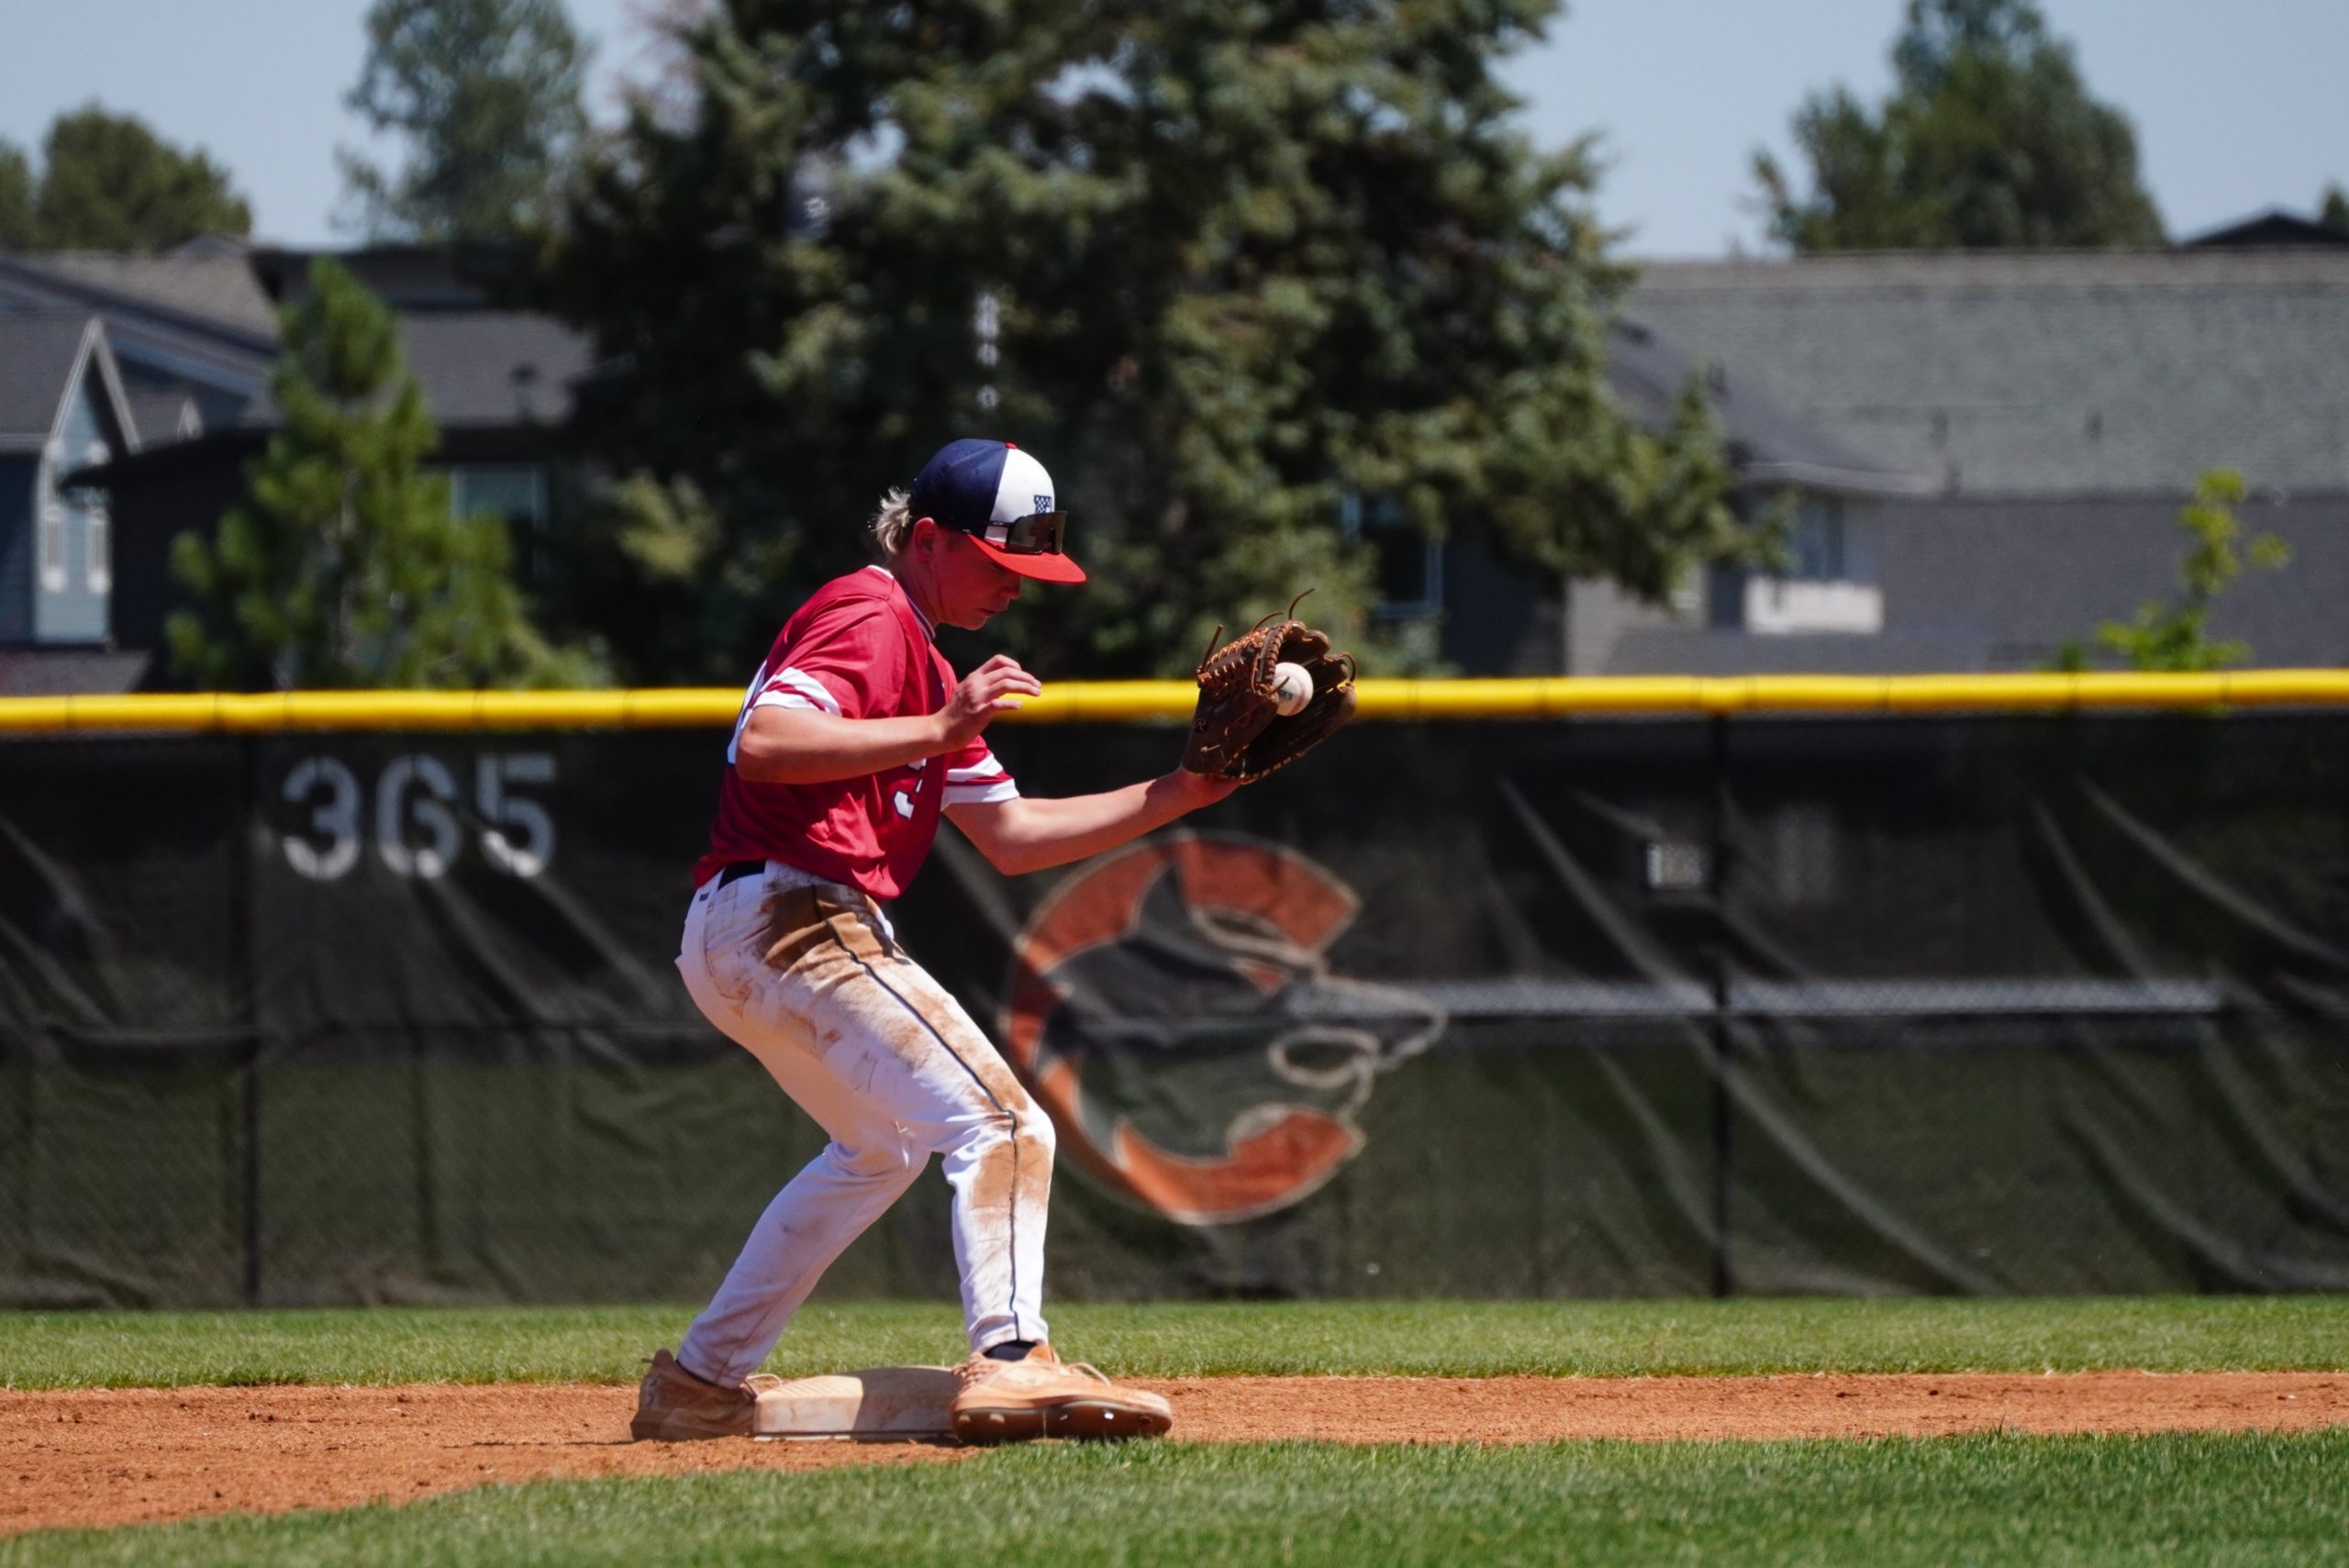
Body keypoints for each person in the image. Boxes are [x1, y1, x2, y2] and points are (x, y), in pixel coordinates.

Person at [632, 439, 1236, 1444]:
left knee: (883, 1148)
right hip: (792, 913)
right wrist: (939, 727)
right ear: (926, 540)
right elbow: (765, 743)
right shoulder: (872, 614)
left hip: (745, 930)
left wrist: (1186, 790)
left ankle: (701, 1380)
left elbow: (1014, 835)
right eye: (997, 563)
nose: (1014, 587)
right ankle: (1012, 1358)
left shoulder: (926, 666)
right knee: (1006, 1122)